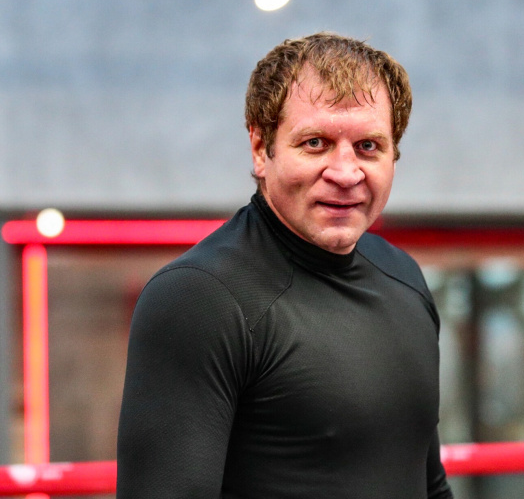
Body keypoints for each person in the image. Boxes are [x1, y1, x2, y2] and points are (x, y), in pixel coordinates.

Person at [116, 32, 454, 498]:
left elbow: (429, 485)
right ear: (261, 148)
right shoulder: (198, 298)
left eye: (368, 146)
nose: (345, 173)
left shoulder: (405, 278)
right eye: (315, 143)